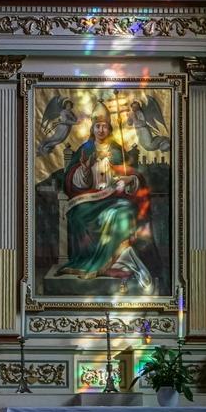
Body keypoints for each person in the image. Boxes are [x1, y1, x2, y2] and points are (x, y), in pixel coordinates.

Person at [59, 107, 155, 292]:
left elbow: (132, 175)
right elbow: (72, 180)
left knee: (124, 211)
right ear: (92, 129)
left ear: (110, 129)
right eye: (98, 126)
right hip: (89, 199)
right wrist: (85, 170)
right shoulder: (85, 149)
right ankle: (91, 260)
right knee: (78, 216)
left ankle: (117, 262)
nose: (101, 130)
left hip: (114, 198)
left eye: (104, 126)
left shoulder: (117, 150)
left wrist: (128, 179)